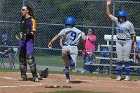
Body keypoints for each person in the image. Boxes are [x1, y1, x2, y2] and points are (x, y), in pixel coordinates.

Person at [48, 16, 86, 83]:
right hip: (74, 48)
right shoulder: (79, 31)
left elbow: (57, 36)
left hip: (65, 47)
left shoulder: (64, 30)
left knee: (66, 65)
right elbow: (84, 39)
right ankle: (69, 58)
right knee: (73, 66)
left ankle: (67, 79)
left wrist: (51, 42)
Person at [106, 0, 136, 81]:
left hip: (127, 41)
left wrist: (135, 43)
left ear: (125, 17)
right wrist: (108, 6)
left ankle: (127, 76)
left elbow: (133, 34)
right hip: (119, 41)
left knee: (126, 59)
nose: (121, 18)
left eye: (122, 17)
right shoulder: (116, 21)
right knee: (119, 59)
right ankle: (119, 75)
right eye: (119, 17)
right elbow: (108, 14)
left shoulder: (129, 24)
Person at [18, 6, 39, 82]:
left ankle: (35, 76)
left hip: (29, 40)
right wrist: (20, 35)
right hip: (22, 41)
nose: (21, 11)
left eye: (23, 10)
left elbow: (33, 32)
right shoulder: (22, 19)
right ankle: (23, 76)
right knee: (22, 58)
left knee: (30, 59)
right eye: (21, 9)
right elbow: (22, 30)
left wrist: (25, 35)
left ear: (28, 11)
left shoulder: (32, 20)